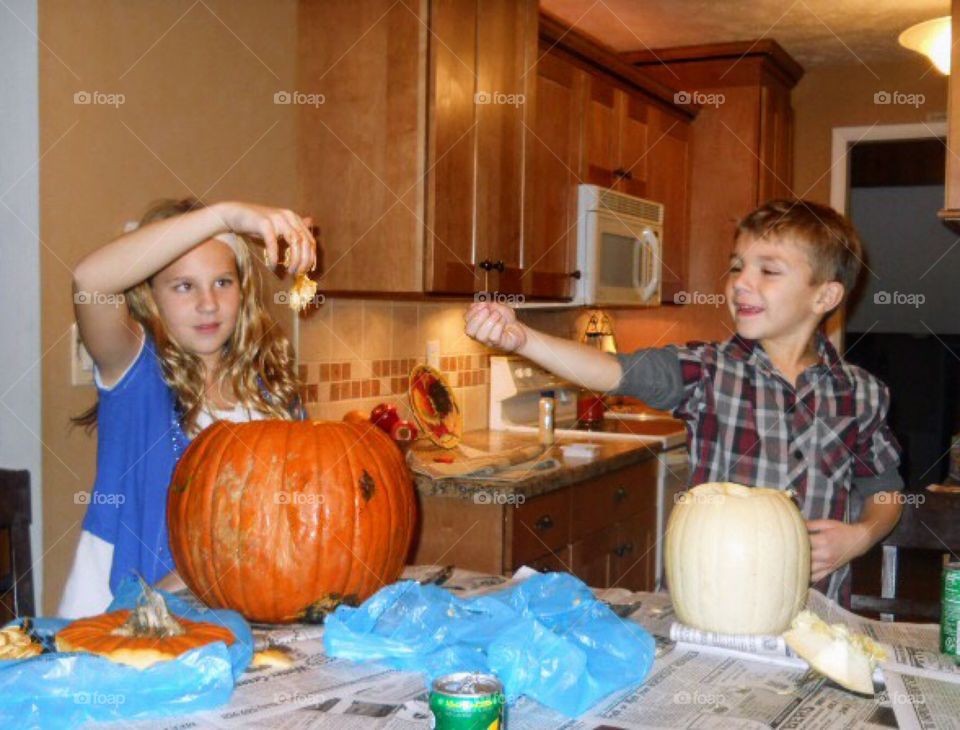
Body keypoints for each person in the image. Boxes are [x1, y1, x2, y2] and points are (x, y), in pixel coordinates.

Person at [465, 199, 903, 605]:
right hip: (710, 606)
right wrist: (522, 339)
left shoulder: (861, 393)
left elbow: (884, 491)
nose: (740, 284)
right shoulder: (706, 370)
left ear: (824, 296)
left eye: (768, 271)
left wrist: (860, 537)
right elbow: (611, 370)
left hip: (815, 611)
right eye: (737, 267)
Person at [60, 198, 316, 617]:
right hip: (113, 629)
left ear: (243, 289)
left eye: (222, 282)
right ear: (150, 295)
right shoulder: (137, 376)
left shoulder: (273, 396)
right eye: (184, 286)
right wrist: (226, 216)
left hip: (228, 627)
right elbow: (90, 281)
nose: (208, 304)